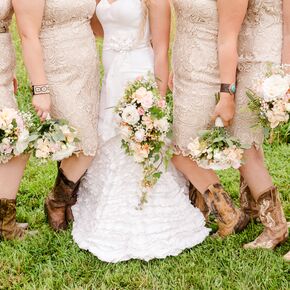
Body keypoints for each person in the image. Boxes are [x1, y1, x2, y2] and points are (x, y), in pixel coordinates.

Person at [72, 0, 210, 263]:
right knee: (109, 134)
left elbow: (161, 49)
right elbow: (98, 26)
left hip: (138, 72)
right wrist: (116, 41)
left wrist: (157, 98)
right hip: (111, 72)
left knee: (139, 141)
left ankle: (146, 206)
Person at [13, 0, 100, 231]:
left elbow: (95, 21)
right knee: (87, 144)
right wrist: (40, 88)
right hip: (56, 70)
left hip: (86, 68)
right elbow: (27, 34)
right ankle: (56, 200)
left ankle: (71, 203)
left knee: (72, 140)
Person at [170, 0, 249, 238]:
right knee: (186, 147)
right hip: (186, 73)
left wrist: (227, 94)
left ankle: (229, 214)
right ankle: (200, 211)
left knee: (180, 153)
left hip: (208, 74)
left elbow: (229, 38)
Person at [0, 0, 29, 240]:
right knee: (14, 142)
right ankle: (5, 226)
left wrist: (10, 73)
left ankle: (5, 221)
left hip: (3, 66)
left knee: (11, 142)